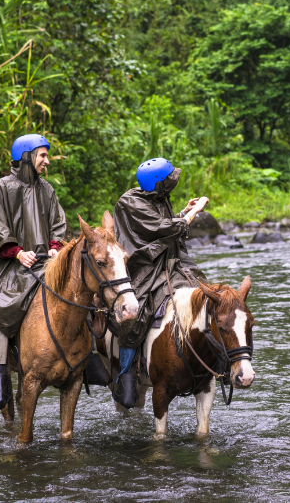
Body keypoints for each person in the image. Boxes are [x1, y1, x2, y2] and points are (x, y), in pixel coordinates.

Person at [0, 134, 68, 410]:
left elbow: (59, 223)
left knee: (78, 292)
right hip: (9, 267)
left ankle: (85, 358)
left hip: (45, 262)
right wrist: (18, 252)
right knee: (1, 308)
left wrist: (56, 248)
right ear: (26, 156)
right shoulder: (2, 187)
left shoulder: (47, 189)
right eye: (42, 155)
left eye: (46, 156)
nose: (46, 161)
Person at [110, 158, 209, 408]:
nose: (171, 184)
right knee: (136, 315)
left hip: (172, 261)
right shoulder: (130, 202)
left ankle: (216, 362)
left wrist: (184, 212)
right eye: (168, 180)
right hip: (146, 266)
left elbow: (162, 226)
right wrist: (195, 213)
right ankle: (126, 375)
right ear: (157, 183)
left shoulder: (157, 197)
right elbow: (162, 229)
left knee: (207, 298)